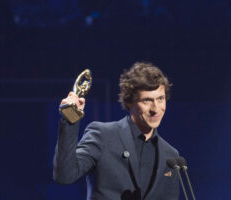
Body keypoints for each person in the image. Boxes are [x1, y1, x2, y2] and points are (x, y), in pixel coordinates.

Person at [53, 62, 180, 200]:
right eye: (147, 100)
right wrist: (71, 119)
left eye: (160, 99)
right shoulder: (103, 136)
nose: (155, 109)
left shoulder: (171, 156)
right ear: (130, 101)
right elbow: (64, 176)